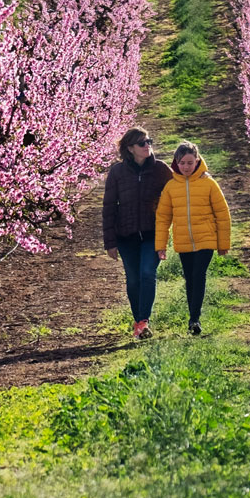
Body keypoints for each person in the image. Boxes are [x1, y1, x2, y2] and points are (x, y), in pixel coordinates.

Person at [154, 140, 232, 336]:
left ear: (197, 161)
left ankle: (194, 319)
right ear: (176, 163)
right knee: (189, 279)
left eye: (190, 162)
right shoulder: (171, 187)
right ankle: (193, 317)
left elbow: (223, 214)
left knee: (198, 275)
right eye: (182, 163)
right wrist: (160, 245)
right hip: (183, 241)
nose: (186, 167)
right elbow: (163, 218)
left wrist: (223, 244)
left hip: (206, 239)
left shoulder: (209, 183)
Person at [102, 127, 171, 340]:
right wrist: (110, 242)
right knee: (133, 280)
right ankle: (139, 323)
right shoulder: (117, 172)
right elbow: (109, 207)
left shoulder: (160, 169)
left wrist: (200, 172)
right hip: (126, 236)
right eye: (142, 143)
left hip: (153, 234)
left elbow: (179, 188)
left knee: (147, 273)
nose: (147, 146)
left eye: (149, 141)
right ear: (130, 148)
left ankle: (143, 321)